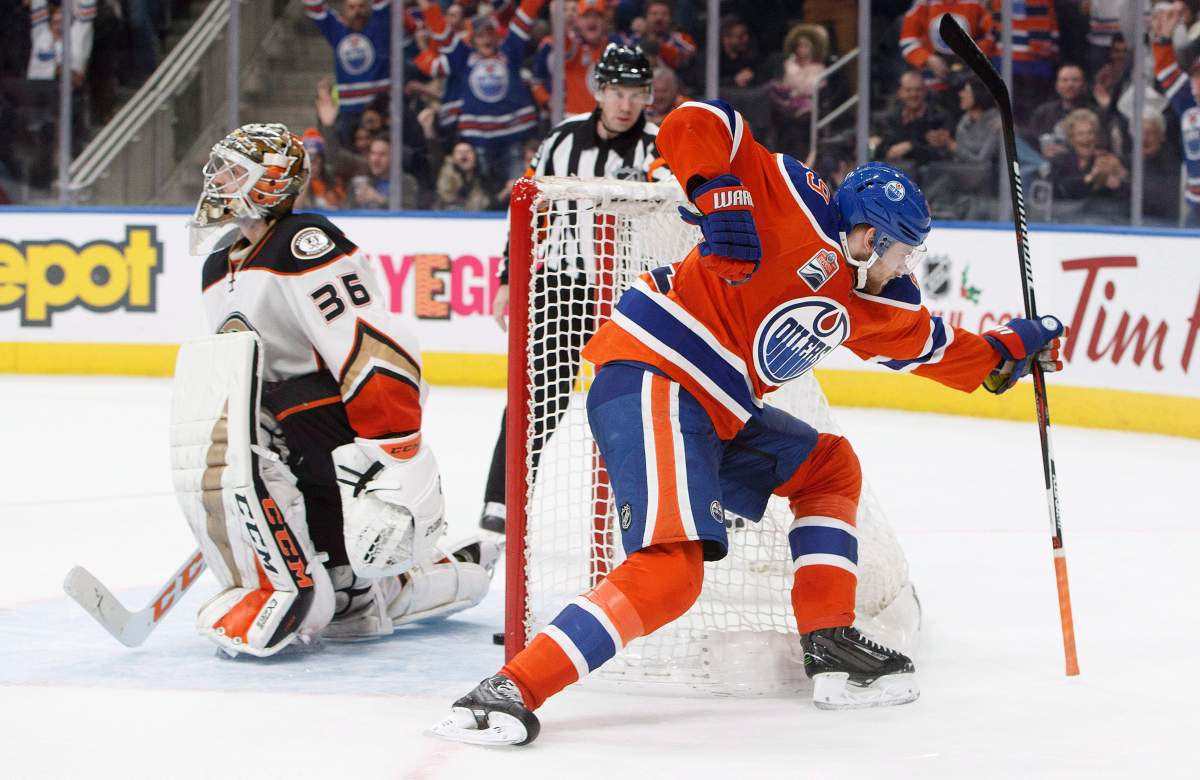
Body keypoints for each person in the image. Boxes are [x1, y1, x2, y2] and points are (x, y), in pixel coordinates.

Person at [434, 101, 1067, 745]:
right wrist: (721, 191)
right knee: (670, 573)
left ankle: (829, 644)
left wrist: (1013, 349)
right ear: (872, 235)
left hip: (713, 408)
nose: (906, 267)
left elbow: (939, 349)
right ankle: (507, 690)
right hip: (654, 373)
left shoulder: (860, 296)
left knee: (828, 465)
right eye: (902, 251)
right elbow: (695, 121)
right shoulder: (788, 194)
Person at [182, 123, 497, 657]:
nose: (218, 179)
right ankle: (397, 578)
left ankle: (458, 571)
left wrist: (392, 443)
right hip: (279, 422)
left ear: (271, 182)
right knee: (348, 603)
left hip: (324, 418)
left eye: (234, 170)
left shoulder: (303, 243)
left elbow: (367, 341)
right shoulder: (217, 264)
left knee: (352, 594)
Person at [477, 43, 671, 537]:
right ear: (599, 92)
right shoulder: (561, 140)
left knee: (647, 404)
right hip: (564, 283)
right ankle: (501, 500)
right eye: (616, 92)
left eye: (636, 93)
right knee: (537, 393)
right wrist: (507, 276)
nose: (626, 103)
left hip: (634, 295)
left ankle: (663, 510)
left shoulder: (660, 147)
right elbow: (529, 212)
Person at [425, 1, 546, 187]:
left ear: (498, 37)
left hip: (513, 134)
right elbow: (441, 32)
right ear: (473, 40)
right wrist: (426, 5)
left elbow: (524, 17)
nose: (486, 39)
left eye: (490, 34)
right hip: (478, 138)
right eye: (481, 35)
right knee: (482, 189)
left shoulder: (509, 52)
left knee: (517, 189)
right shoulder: (463, 58)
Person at [304, 0, 394, 146]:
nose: (357, 12)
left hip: (379, 108)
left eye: (361, 6)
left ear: (369, 7)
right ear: (344, 11)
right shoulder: (337, 31)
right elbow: (315, 7)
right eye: (351, 7)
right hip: (348, 111)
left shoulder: (379, 27)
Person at [1152, 2, 1200, 226]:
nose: (1195, 83)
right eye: (1194, 76)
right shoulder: (1189, 105)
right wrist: (1163, 38)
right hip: (1195, 207)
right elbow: (1166, 71)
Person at [532, 0, 611, 116]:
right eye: (586, 16)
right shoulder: (573, 46)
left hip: (607, 120)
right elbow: (563, 42)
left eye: (597, 16)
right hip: (577, 121)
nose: (592, 20)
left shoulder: (614, 46)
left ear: (604, 21)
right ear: (577, 22)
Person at [873, 70, 954, 176]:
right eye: (908, 90)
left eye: (918, 90)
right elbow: (879, 147)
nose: (913, 94)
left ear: (925, 91)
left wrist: (911, 146)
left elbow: (940, 154)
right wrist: (888, 152)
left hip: (929, 178)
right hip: (892, 176)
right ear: (900, 92)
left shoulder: (939, 117)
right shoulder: (889, 118)